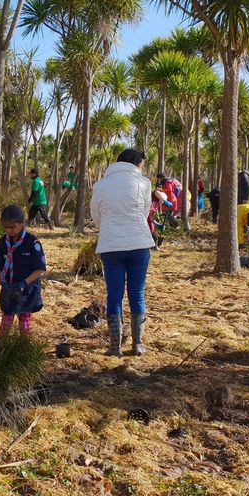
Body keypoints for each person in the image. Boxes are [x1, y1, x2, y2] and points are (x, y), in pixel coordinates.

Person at [90, 148, 154, 357]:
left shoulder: (101, 185)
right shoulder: (144, 183)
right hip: (139, 244)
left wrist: (108, 229)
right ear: (136, 163)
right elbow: (144, 212)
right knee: (137, 293)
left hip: (111, 247)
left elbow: (96, 215)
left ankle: (115, 347)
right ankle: (137, 345)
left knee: (114, 296)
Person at [0, 206, 46, 336]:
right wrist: (3, 281)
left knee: (24, 325)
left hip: (27, 289)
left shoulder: (32, 242)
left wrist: (24, 283)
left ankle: (24, 348)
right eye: (5, 227)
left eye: (12, 227)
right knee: (5, 322)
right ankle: (1, 348)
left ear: (22, 224)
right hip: (9, 289)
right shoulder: (2, 243)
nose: (9, 230)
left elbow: (39, 268)